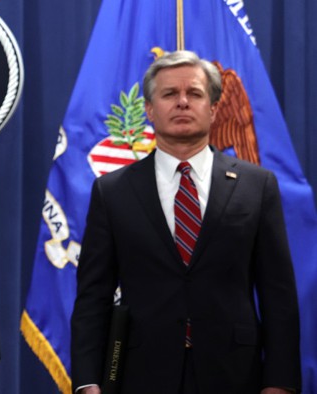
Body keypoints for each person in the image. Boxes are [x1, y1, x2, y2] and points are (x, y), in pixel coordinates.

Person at [70, 51, 300, 393]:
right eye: (168, 94)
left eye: (194, 93)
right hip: (141, 376)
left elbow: (278, 294)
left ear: (214, 108)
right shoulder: (112, 191)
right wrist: (87, 382)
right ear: (149, 109)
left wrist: (280, 383)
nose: (182, 102)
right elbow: (93, 296)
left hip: (235, 375)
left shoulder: (257, 185)